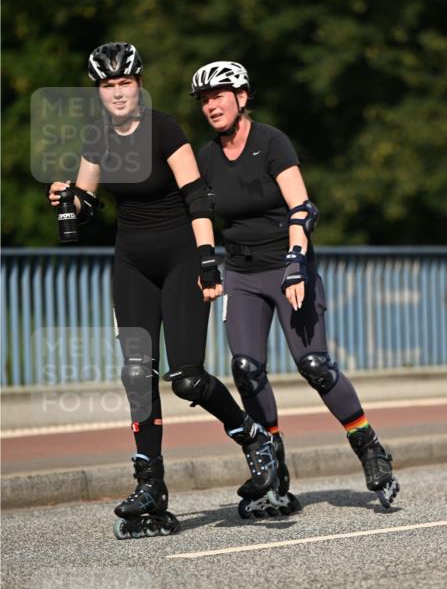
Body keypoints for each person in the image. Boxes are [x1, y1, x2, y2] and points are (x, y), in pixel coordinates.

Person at [47, 42, 279, 539]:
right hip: (130, 261)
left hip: (180, 258)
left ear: (139, 84)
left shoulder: (164, 127)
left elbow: (196, 195)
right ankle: (150, 485)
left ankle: (251, 437)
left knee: (188, 379)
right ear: (100, 92)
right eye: (107, 86)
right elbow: (87, 203)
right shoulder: (97, 137)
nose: (117, 93)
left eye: (124, 83)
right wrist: (68, 198)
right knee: (137, 375)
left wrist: (206, 261)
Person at [190, 60, 400, 513]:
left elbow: (302, 208)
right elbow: (199, 213)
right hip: (241, 275)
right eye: (204, 99)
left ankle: (369, 448)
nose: (211, 105)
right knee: (246, 368)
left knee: (314, 365)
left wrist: (295, 262)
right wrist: (206, 263)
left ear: (242, 97)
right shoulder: (205, 156)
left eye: (219, 95)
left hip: (288, 268)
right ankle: (275, 469)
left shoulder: (270, 142)